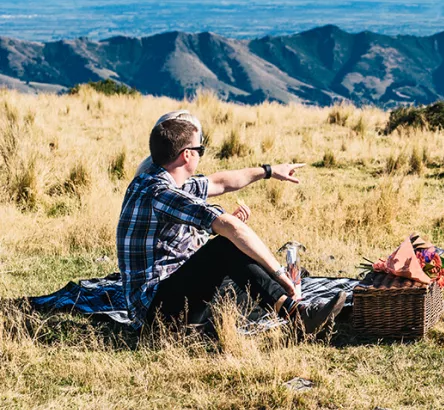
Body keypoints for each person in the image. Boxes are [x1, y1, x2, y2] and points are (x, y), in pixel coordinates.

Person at [116, 115, 346, 334]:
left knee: (244, 273)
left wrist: (269, 171)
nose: (201, 155)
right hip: (155, 315)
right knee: (227, 247)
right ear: (187, 155)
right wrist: (278, 274)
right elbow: (231, 228)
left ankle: (280, 299)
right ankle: (297, 316)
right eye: (200, 150)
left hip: (165, 298)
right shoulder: (161, 193)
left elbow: (220, 182)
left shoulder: (153, 182)